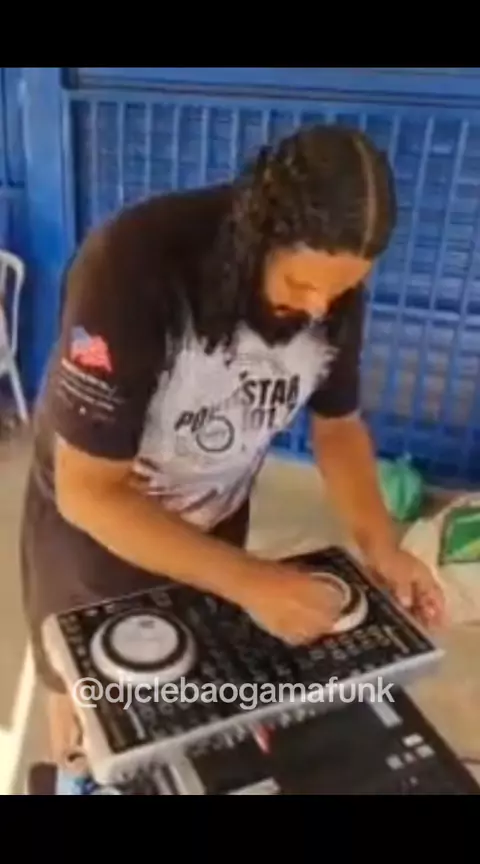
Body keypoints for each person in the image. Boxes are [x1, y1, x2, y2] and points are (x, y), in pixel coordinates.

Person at [20, 123, 445, 790]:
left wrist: (379, 545)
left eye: (340, 291)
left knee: (202, 706)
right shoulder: (130, 268)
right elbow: (88, 493)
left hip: (215, 523)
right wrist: (250, 582)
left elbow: (338, 427)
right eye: (301, 283)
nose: (318, 308)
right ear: (260, 233)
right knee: (99, 723)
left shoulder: (330, 286)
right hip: (96, 544)